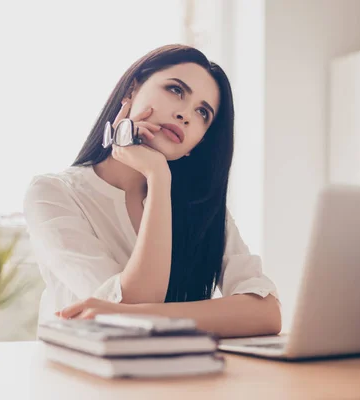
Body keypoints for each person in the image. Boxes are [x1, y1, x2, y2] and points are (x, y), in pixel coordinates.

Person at [23, 44, 281, 338]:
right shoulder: (52, 194)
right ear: (132, 89)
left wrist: (159, 178)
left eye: (202, 113)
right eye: (175, 90)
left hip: (179, 378)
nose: (186, 114)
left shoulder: (200, 206)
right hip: (83, 379)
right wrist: (158, 176)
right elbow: (126, 315)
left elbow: (267, 312)